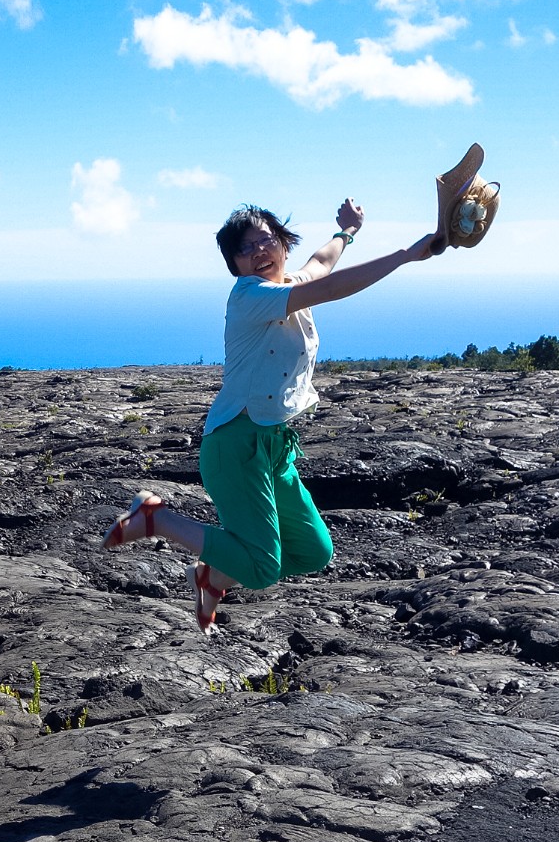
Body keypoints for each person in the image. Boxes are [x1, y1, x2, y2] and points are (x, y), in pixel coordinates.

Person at [103, 200, 443, 631]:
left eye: (267, 239)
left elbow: (321, 264)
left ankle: (213, 575)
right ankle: (155, 517)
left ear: (283, 244)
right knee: (263, 568)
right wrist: (406, 255)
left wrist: (348, 232)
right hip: (235, 445)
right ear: (235, 265)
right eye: (246, 249)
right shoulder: (251, 296)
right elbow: (332, 286)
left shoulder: (287, 284)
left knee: (314, 552)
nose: (259, 251)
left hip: (274, 445)